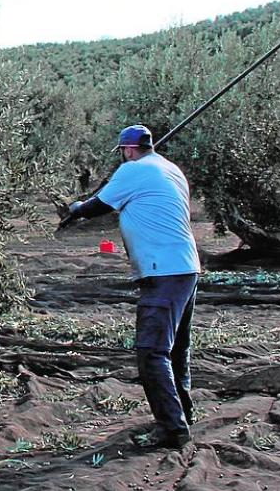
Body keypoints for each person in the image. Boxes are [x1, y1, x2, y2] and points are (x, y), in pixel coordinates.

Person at [62, 124, 201, 449]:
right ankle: (183, 413)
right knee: (176, 348)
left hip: (162, 271)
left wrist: (75, 209)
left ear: (127, 149)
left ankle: (172, 429)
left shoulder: (133, 170)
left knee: (151, 352)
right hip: (186, 267)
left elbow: (97, 206)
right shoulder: (171, 169)